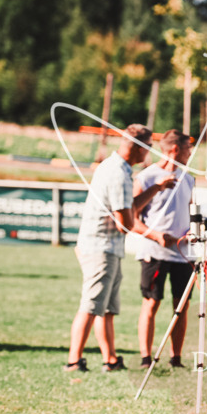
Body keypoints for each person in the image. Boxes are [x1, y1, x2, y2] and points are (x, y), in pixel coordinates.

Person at [66, 124, 157, 372]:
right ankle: (74, 360)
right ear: (137, 147)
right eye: (148, 147)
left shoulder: (112, 166)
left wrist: (153, 189)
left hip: (105, 246)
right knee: (91, 305)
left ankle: (110, 359)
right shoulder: (119, 173)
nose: (148, 153)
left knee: (106, 308)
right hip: (101, 247)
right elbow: (124, 224)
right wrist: (152, 194)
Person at [132, 129, 196, 368]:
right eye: (188, 149)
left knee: (181, 306)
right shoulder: (147, 177)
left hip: (183, 254)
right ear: (175, 149)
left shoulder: (188, 178)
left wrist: (192, 231)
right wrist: (156, 235)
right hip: (154, 253)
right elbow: (131, 218)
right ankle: (146, 358)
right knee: (151, 303)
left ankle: (175, 358)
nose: (190, 154)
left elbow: (192, 212)